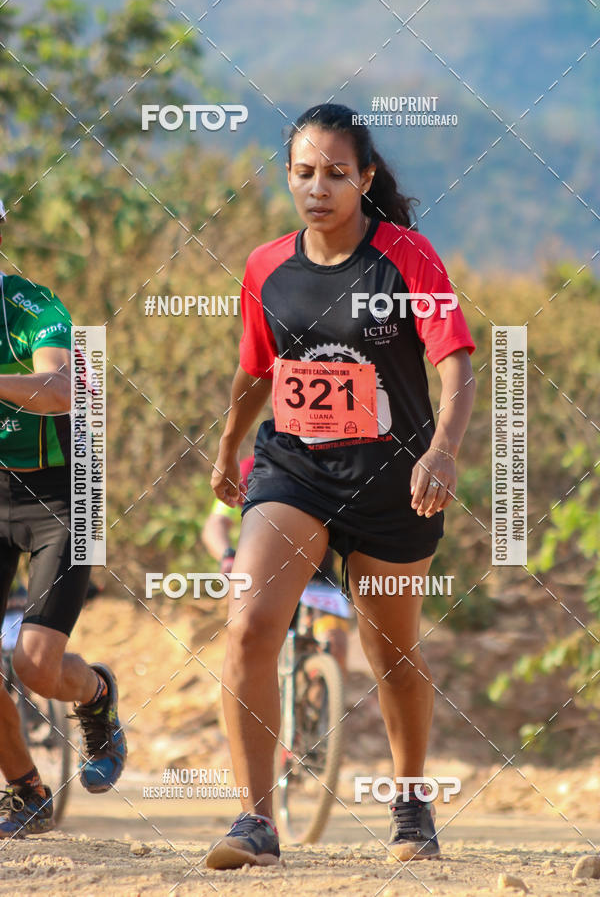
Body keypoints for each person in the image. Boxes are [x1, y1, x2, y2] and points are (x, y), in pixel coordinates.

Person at [206, 104, 476, 869]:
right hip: (294, 470)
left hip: (396, 480)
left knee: (391, 650)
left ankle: (411, 803)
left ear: (363, 178)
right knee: (250, 622)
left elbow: (455, 363)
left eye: (334, 173)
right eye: (303, 172)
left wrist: (445, 451)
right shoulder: (266, 266)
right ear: (286, 176)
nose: (317, 188)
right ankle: (255, 821)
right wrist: (229, 448)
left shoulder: (408, 259)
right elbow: (256, 367)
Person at [0, 200, 126, 838]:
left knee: (34, 666)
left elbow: (64, 391)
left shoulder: (32, 307)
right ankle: (27, 792)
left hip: (64, 489)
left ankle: (97, 694)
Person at [201, 454, 350, 674]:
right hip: (268, 572)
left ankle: (322, 700)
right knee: (252, 640)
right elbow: (215, 523)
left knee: (336, 644)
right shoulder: (248, 470)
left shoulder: (336, 465)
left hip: (319, 573)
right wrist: (227, 556)